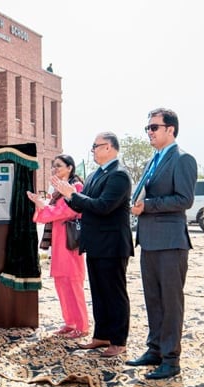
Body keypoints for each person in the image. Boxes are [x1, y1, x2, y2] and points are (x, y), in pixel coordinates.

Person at [128, 108, 197, 380]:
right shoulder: (153, 160)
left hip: (171, 243)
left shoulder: (183, 159)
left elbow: (184, 200)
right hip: (149, 241)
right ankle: (155, 349)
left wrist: (148, 206)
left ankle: (171, 359)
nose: (149, 132)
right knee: (153, 300)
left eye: (154, 127)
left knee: (171, 302)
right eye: (147, 128)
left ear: (171, 129)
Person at [53, 132, 133, 358]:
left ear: (108, 147)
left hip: (113, 244)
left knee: (114, 293)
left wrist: (72, 195)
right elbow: (81, 205)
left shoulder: (119, 175)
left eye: (95, 146)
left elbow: (103, 206)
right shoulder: (95, 175)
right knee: (99, 292)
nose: (93, 150)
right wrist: (69, 195)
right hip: (96, 243)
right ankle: (102, 335)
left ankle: (119, 340)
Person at [27, 154, 88, 338]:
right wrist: (42, 205)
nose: (55, 170)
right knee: (61, 283)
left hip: (71, 243)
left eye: (59, 166)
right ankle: (69, 322)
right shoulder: (58, 191)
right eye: (53, 167)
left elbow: (66, 211)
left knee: (74, 283)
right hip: (59, 242)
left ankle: (82, 326)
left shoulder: (75, 187)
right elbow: (52, 213)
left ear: (70, 167)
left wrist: (43, 207)